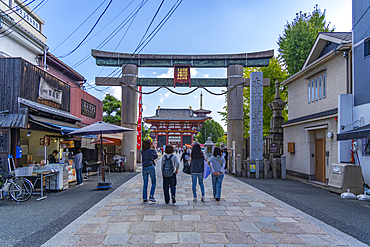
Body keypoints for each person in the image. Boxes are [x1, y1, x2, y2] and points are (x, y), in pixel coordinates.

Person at [141, 139, 158, 203]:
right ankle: (151, 195)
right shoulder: (151, 150)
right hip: (150, 166)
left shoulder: (142, 151)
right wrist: (154, 149)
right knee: (153, 181)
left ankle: (144, 198)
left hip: (144, 167)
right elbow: (156, 156)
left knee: (145, 183)